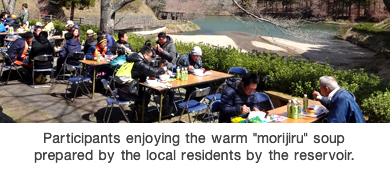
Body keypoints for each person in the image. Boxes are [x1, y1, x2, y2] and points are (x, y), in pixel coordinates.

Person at [118, 46, 167, 120]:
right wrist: (162, 69)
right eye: (150, 56)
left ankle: (138, 115)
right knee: (145, 96)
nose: (151, 59)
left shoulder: (134, 58)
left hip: (123, 87)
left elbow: (141, 72)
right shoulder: (139, 62)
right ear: (145, 55)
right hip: (126, 91)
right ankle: (139, 117)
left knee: (145, 93)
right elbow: (152, 71)